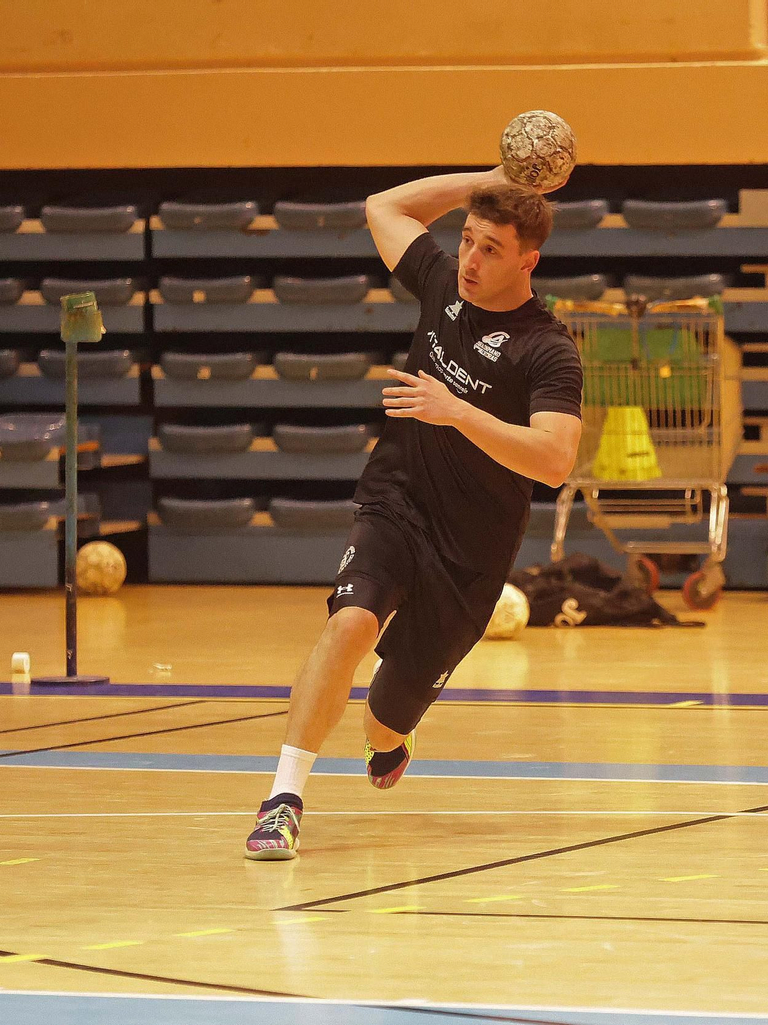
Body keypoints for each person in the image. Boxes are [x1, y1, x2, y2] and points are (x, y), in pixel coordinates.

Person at [243, 168, 583, 861]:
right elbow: (381, 205)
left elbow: (554, 459)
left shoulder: (547, 348)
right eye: (467, 240)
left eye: (492, 249)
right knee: (349, 625)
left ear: (528, 260)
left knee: (383, 719)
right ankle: (282, 800)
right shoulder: (439, 285)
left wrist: (458, 412)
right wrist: (487, 180)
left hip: (470, 554)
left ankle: (389, 738)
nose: (470, 259)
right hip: (395, 503)